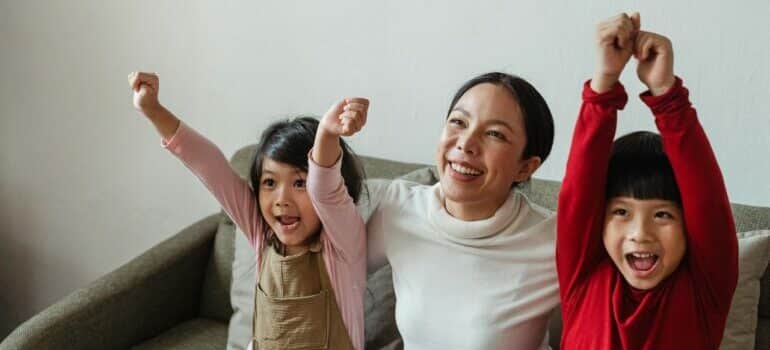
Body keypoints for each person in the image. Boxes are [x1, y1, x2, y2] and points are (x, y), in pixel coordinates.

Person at [127, 71, 370, 350]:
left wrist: (327, 135)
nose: (282, 199)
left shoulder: (342, 242)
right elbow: (210, 166)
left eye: (300, 182)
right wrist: (153, 110)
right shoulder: (261, 234)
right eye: (269, 182)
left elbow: (326, 189)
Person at [556, 13, 739, 349]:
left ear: (689, 226)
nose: (640, 233)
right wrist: (604, 82)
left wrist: (668, 96)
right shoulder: (583, 277)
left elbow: (706, 198)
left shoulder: (705, 290)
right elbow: (579, 194)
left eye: (663, 215)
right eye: (621, 212)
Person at [364, 71, 559, 349]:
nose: (466, 144)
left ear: (525, 167)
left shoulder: (553, 238)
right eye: (458, 121)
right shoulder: (398, 207)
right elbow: (326, 271)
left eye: (495, 134)